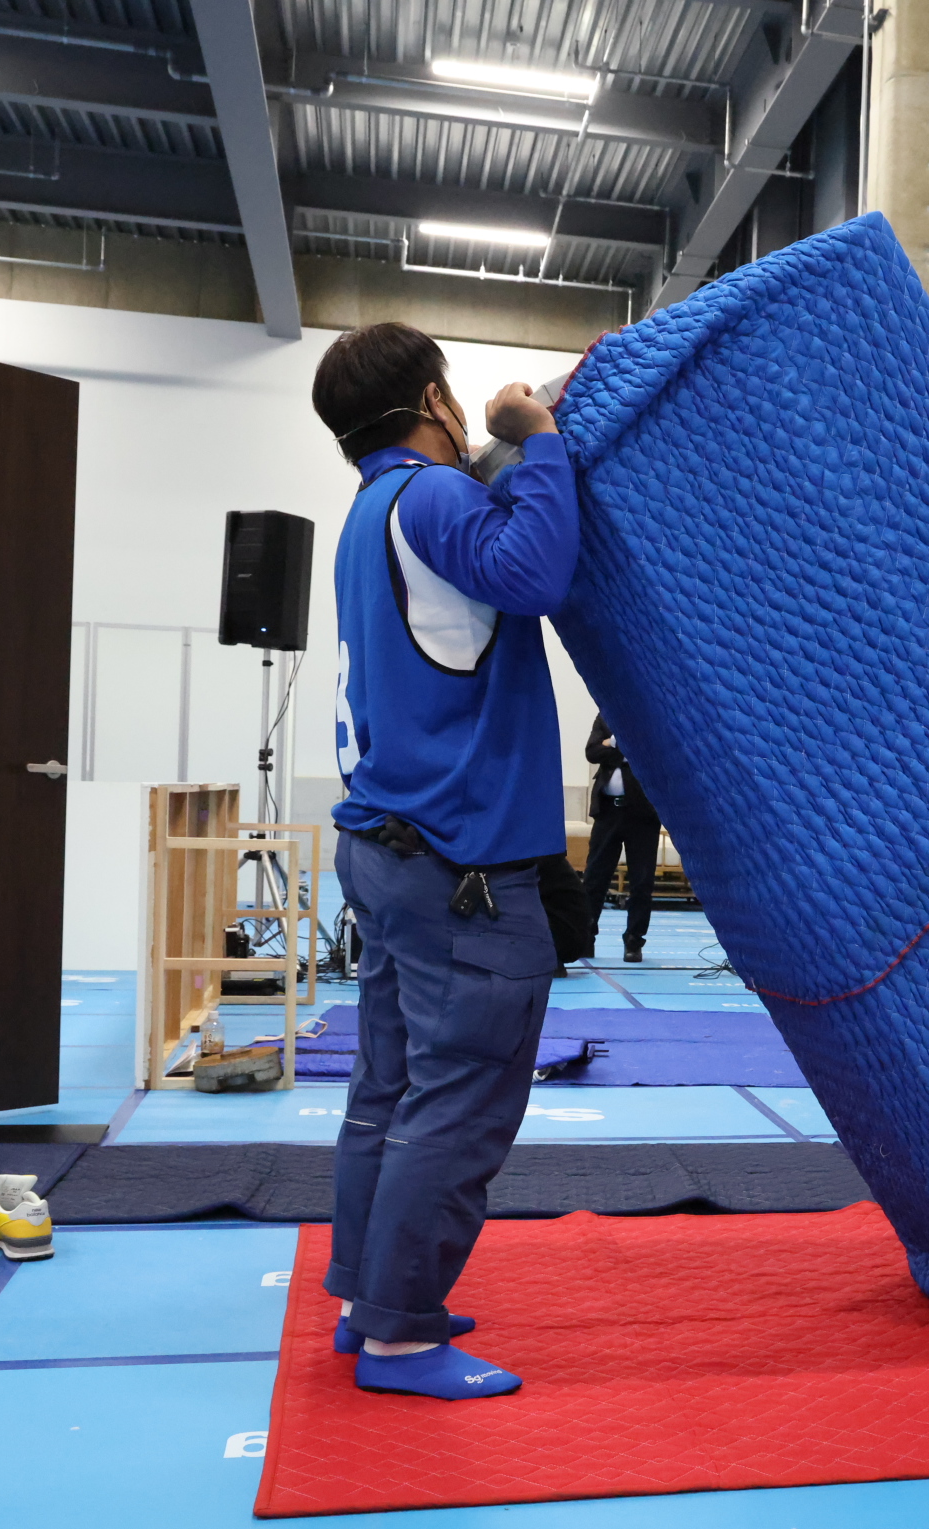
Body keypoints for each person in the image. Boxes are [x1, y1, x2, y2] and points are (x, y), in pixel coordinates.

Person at [312, 322, 579, 1399]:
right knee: (461, 1098)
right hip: (459, 861)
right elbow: (538, 571)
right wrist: (541, 438)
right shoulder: (434, 499)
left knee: (388, 1086)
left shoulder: (370, 511)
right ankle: (402, 1335)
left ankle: (365, 1299)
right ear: (434, 397)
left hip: (385, 846)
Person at [581, 713, 662, 962]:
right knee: (594, 878)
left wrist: (613, 745)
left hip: (642, 815)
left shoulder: (652, 719)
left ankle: (634, 941)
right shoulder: (605, 717)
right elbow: (592, 752)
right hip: (608, 812)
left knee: (641, 882)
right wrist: (620, 745)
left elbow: (651, 754)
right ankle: (585, 937)